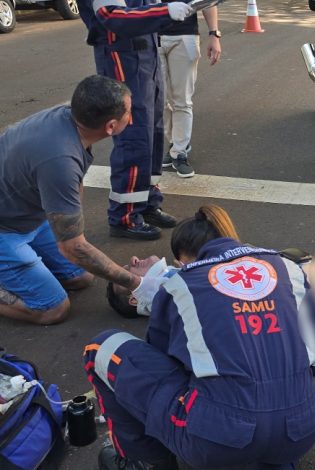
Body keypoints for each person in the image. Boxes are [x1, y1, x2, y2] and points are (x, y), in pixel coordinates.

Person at [88, 205, 315, 470]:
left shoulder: (181, 285)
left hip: (221, 439)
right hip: (302, 429)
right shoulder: (287, 267)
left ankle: (145, 462)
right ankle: (271, 457)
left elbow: (166, 365)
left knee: (100, 347)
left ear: (184, 261)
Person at [0, 75, 166, 325]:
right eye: (128, 113)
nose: (131, 119)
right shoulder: (60, 159)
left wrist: (72, 237)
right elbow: (73, 247)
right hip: (5, 228)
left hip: (23, 215)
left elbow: (72, 214)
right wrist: (137, 283)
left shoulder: (70, 117)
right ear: (110, 126)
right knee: (53, 309)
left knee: (80, 277)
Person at [75, 0, 196, 240]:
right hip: (123, 58)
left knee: (152, 133)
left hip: (144, 53)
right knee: (134, 137)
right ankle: (125, 216)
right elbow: (113, 16)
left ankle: (147, 202)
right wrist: (165, 11)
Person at [159, 1, 222, 178]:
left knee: (182, 100)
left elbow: (208, 2)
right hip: (151, 36)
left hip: (184, 36)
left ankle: (179, 152)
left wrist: (214, 34)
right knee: (159, 100)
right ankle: (176, 142)